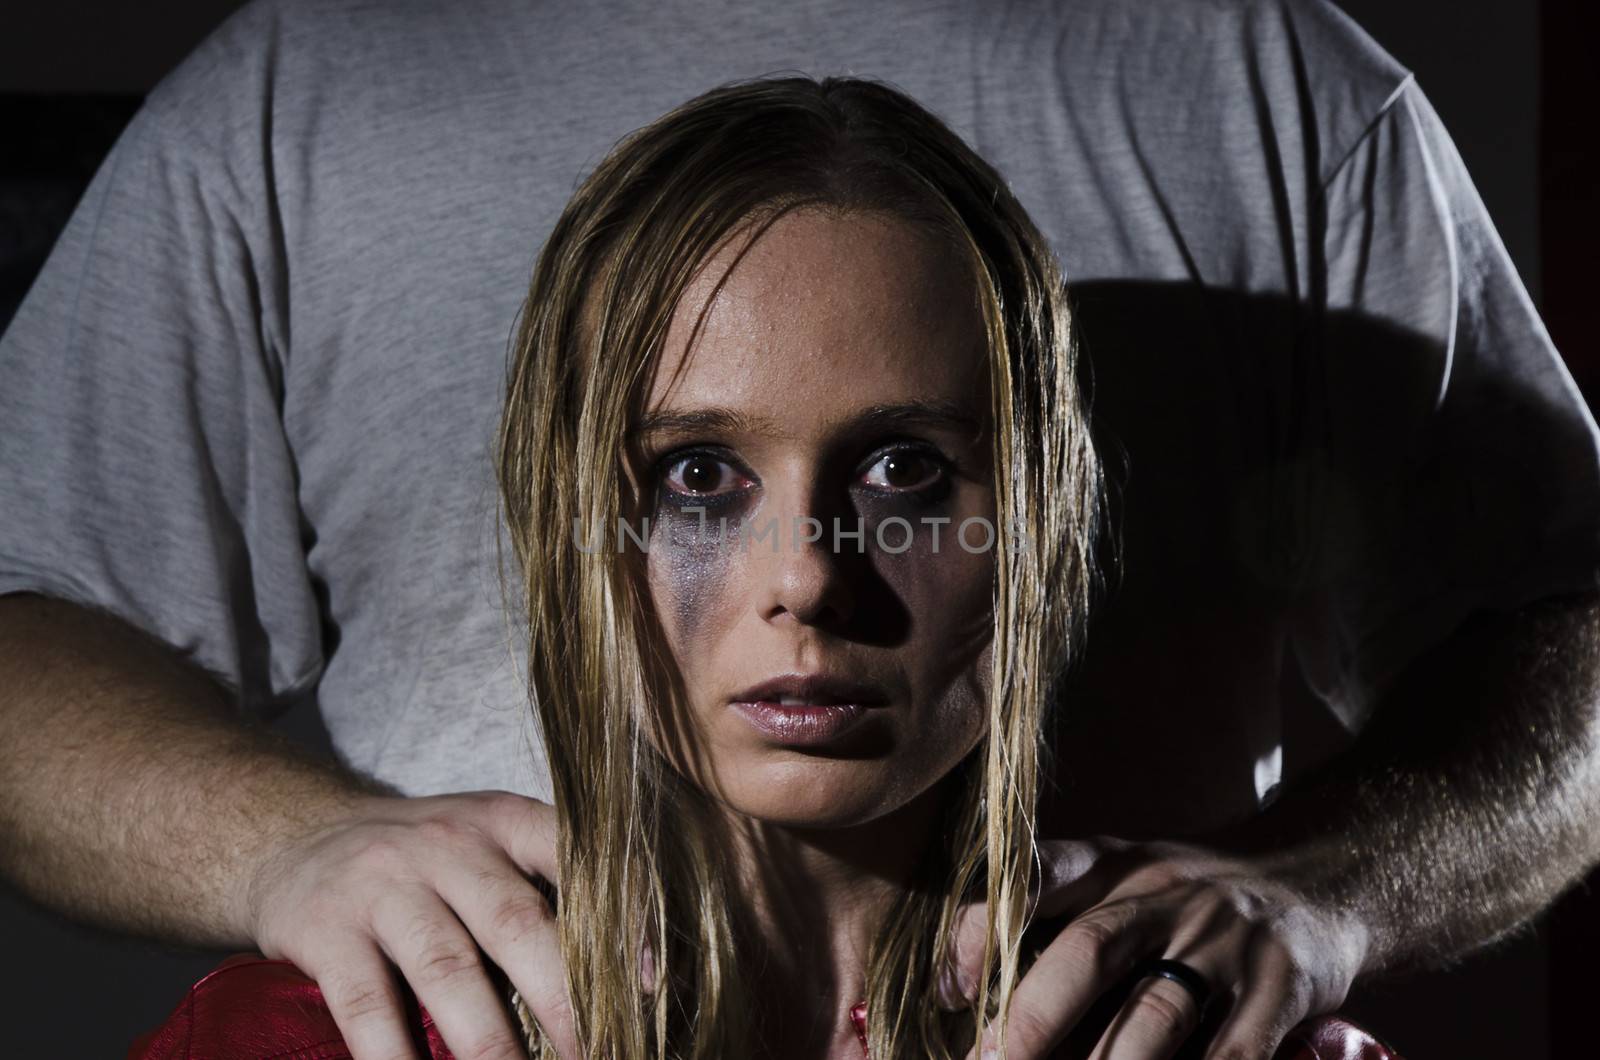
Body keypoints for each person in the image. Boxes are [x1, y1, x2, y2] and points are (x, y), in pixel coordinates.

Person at [3, 1, 1598, 1057]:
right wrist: (284, 844)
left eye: (912, 474)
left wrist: (1317, 895)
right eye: (693, 479)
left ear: (1053, 524)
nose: (806, 581)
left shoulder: (1265, 68)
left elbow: (1566, 620)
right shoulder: (315, 76)